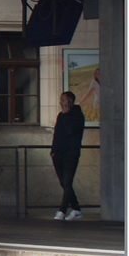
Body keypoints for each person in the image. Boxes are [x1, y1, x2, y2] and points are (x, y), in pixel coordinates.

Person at [51, 91, 85, 220]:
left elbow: (71, 130)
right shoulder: (61, 116)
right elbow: (57, 133)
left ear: (69, 101)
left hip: (71, 154)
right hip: (58, 153)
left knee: (67, 181)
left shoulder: (77, 115)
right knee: (64, 183)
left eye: (63, 100)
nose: (60, 102)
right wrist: (53, 151)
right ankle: (76, 208)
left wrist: (66, 114)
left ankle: (62, 210)